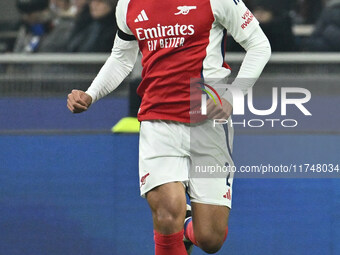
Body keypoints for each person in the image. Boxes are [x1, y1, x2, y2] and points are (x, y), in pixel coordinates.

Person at [67, 0, 271, 254]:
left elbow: (259, 45)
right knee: (166, 211)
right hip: (158, 121)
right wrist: (91, 94)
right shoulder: (128, 4)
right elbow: (121, 58)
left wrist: (232, 96)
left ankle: (188, 228)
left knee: (210, 239)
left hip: (207, 124)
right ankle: (175, 223)